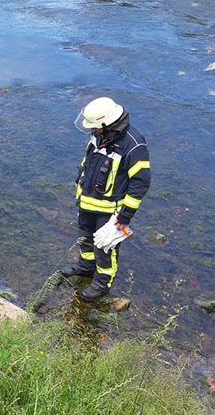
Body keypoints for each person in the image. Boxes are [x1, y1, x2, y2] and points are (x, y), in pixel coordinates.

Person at [62, 97, 151, 301]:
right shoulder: (98, 136)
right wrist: (79, 179)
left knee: (105, 247)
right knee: (85, 239)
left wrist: (125, 217)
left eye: (95, 127)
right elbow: (87, 161)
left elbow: (141, 183)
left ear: (107, 124)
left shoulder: (134, 145)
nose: (92, 131)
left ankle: (102, 283)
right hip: (87, 203)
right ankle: (86, 268)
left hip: (110, 211)